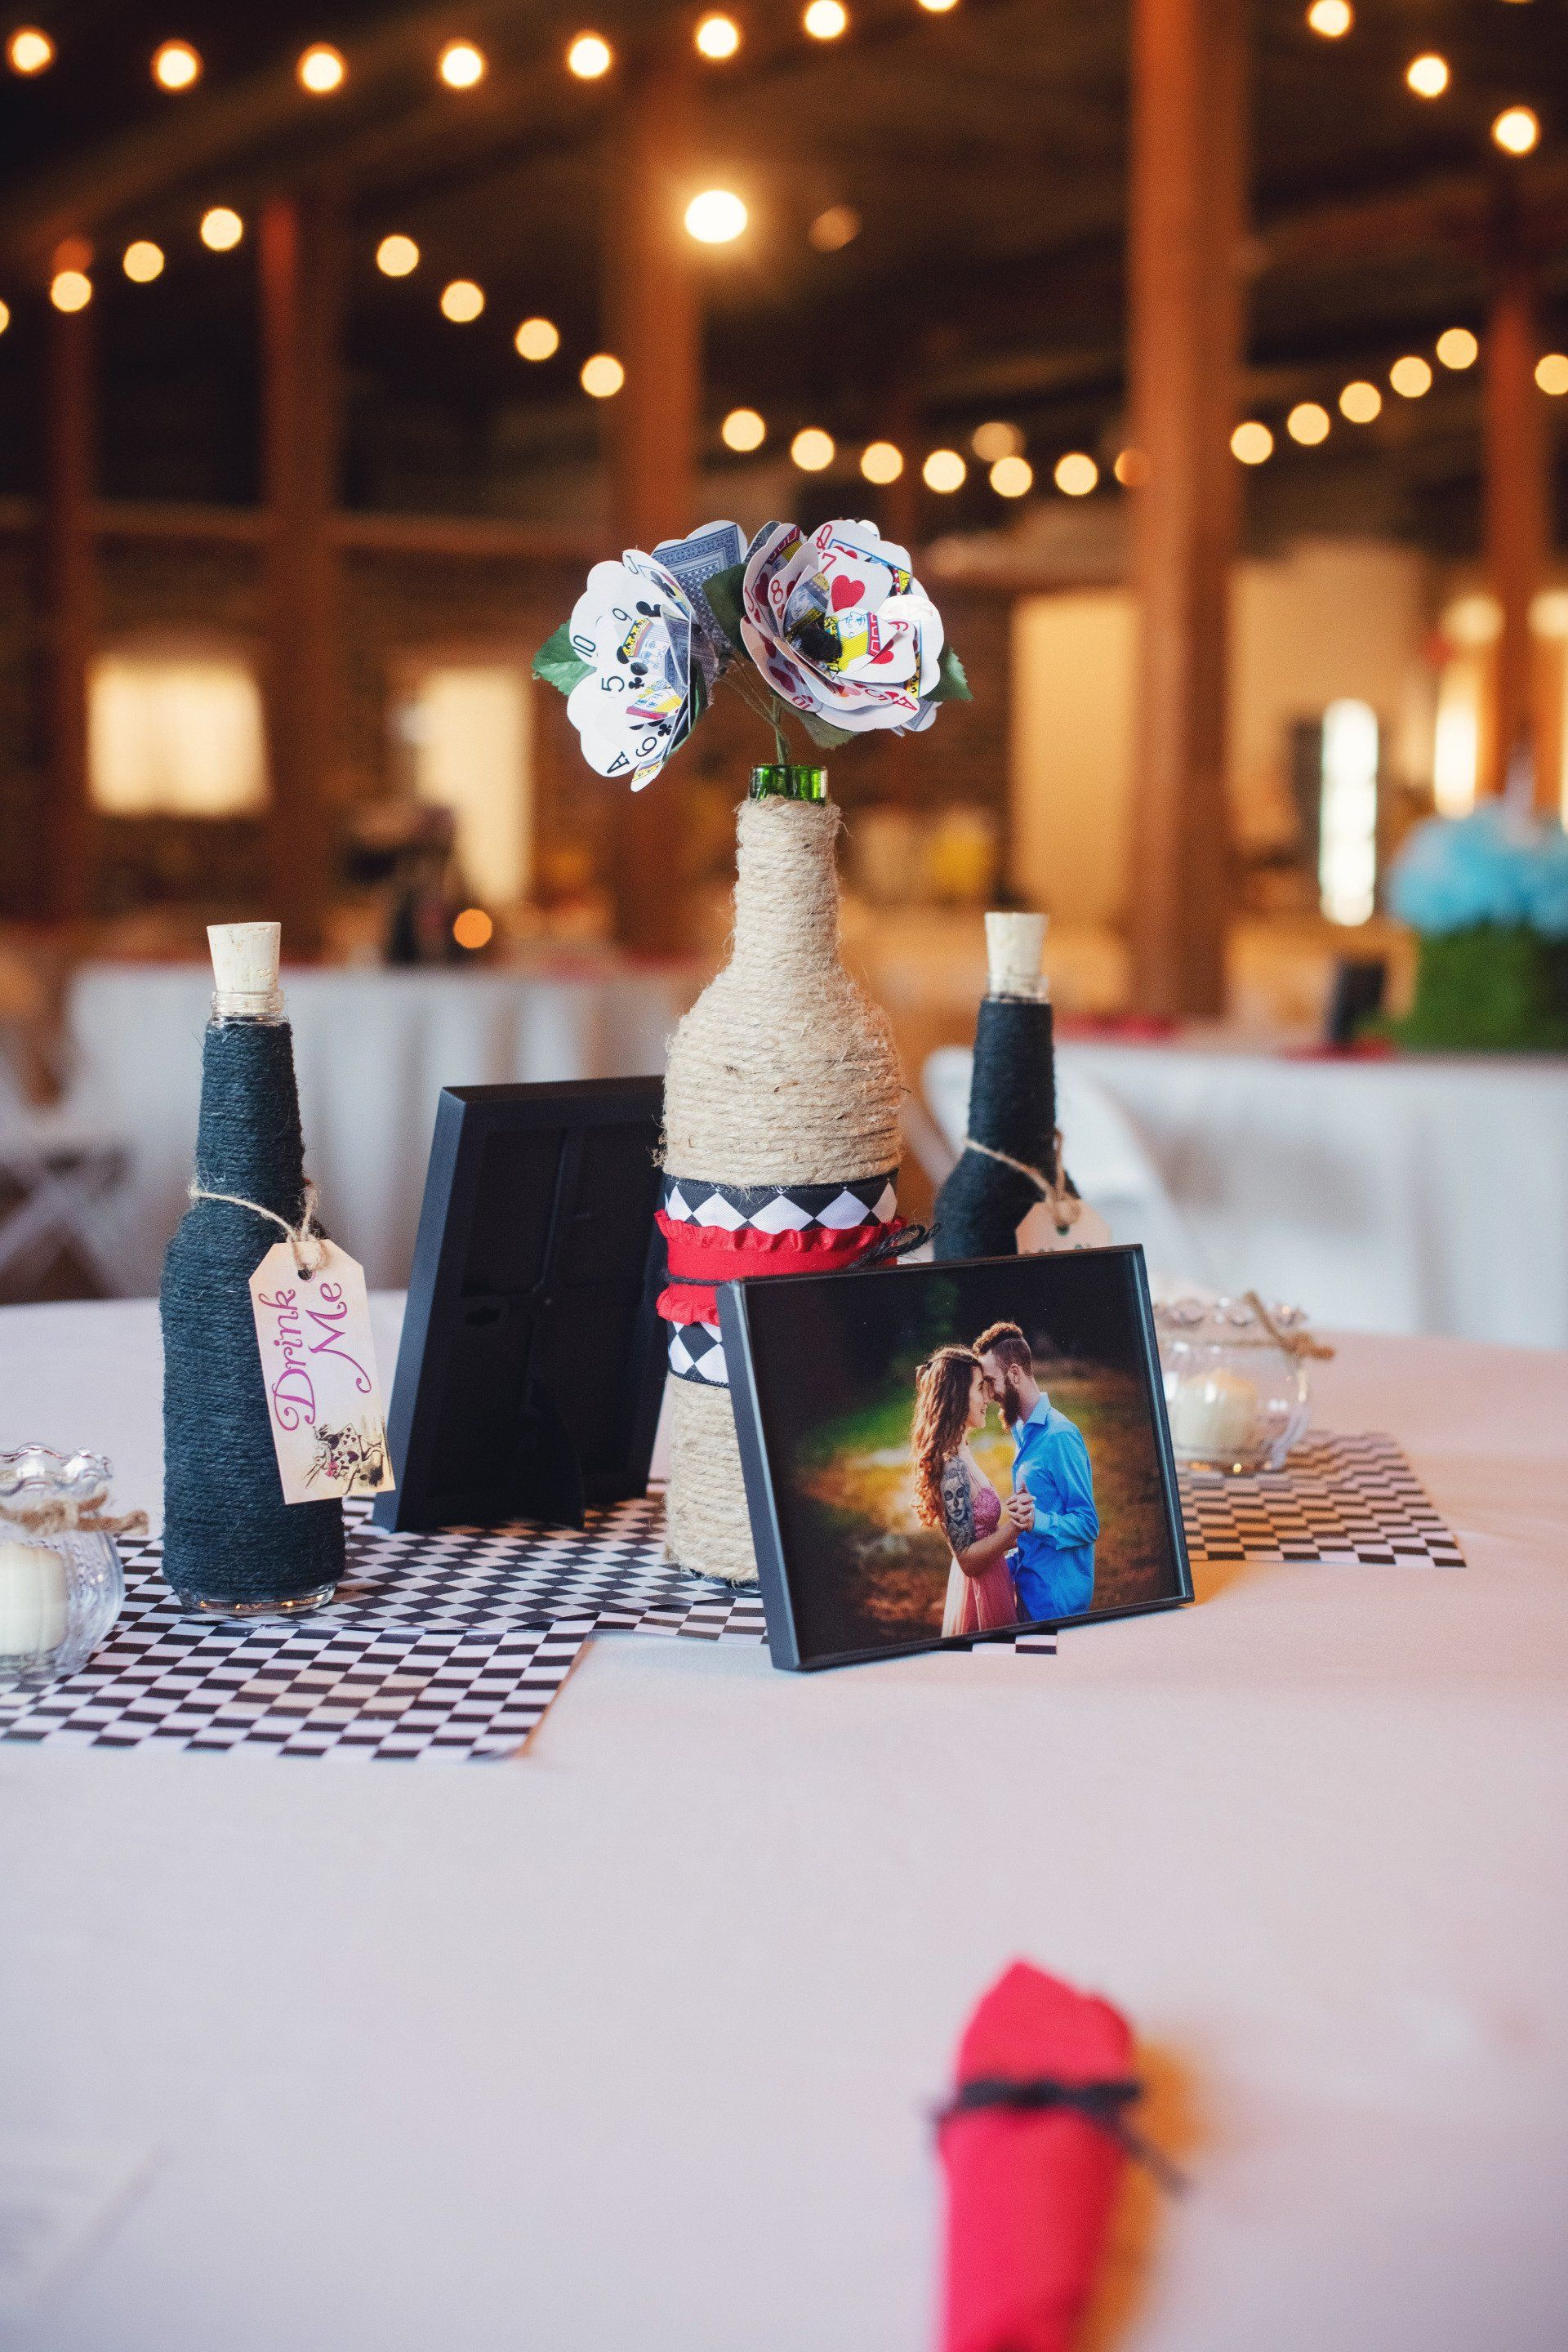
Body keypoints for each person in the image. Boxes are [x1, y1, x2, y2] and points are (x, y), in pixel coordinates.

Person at [973, 1321, 1098, 1620]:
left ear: (1014, 1373)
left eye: (991, 1381)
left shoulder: (1060, 1436)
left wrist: (1035, 1521)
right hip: (1029, 1591)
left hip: (1055, 1604)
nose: (989, 1395)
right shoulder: (1022, 1432)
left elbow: (1088, 1524)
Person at [911, 1345, 1029, 1637]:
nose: (988, 1397)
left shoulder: (963, 1451)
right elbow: (966, 1560)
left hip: (994, 1581)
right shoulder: (952, 1469)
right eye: (979, 1388)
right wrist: (1014, 1529)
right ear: (957, 1396)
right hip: (980, 1595)